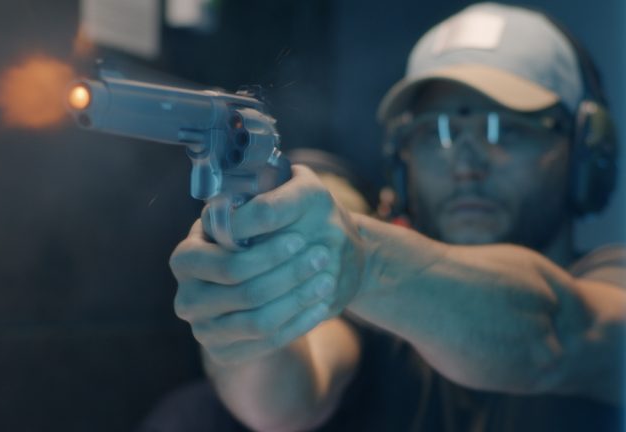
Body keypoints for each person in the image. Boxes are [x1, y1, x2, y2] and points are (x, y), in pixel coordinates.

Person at [139, 3, 625, 431]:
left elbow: (554, 334)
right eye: (437, 133)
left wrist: (364, 259)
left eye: (507, 131)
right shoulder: (376, 311)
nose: (466, 163)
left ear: (585, 154)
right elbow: (281, 405)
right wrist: (244, 308)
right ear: (401, 158)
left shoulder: (610, 285)